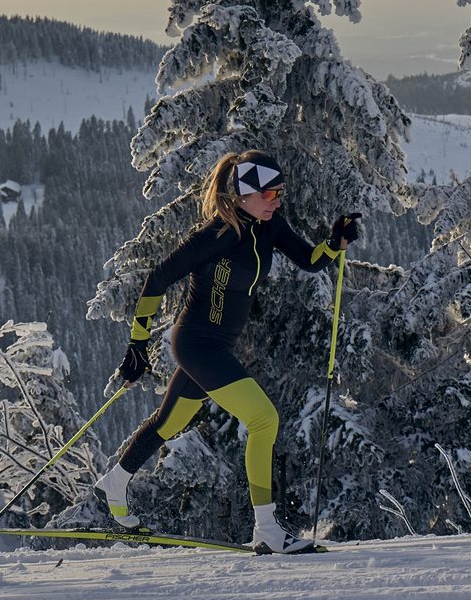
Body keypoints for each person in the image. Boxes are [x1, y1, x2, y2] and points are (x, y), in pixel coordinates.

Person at [95, 150, 360, 554]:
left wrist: (334, 242)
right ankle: (267, 531)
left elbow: (308, 261)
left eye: (280, 193)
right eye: (270, 194)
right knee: (263, 419)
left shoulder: (270, 227)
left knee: (168, 423)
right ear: (242, 194)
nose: (277, 202)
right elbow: (156, 279)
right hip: (197, 344)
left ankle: (114, 482)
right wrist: (137, 343)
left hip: (216, 346)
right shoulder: (214, 236)